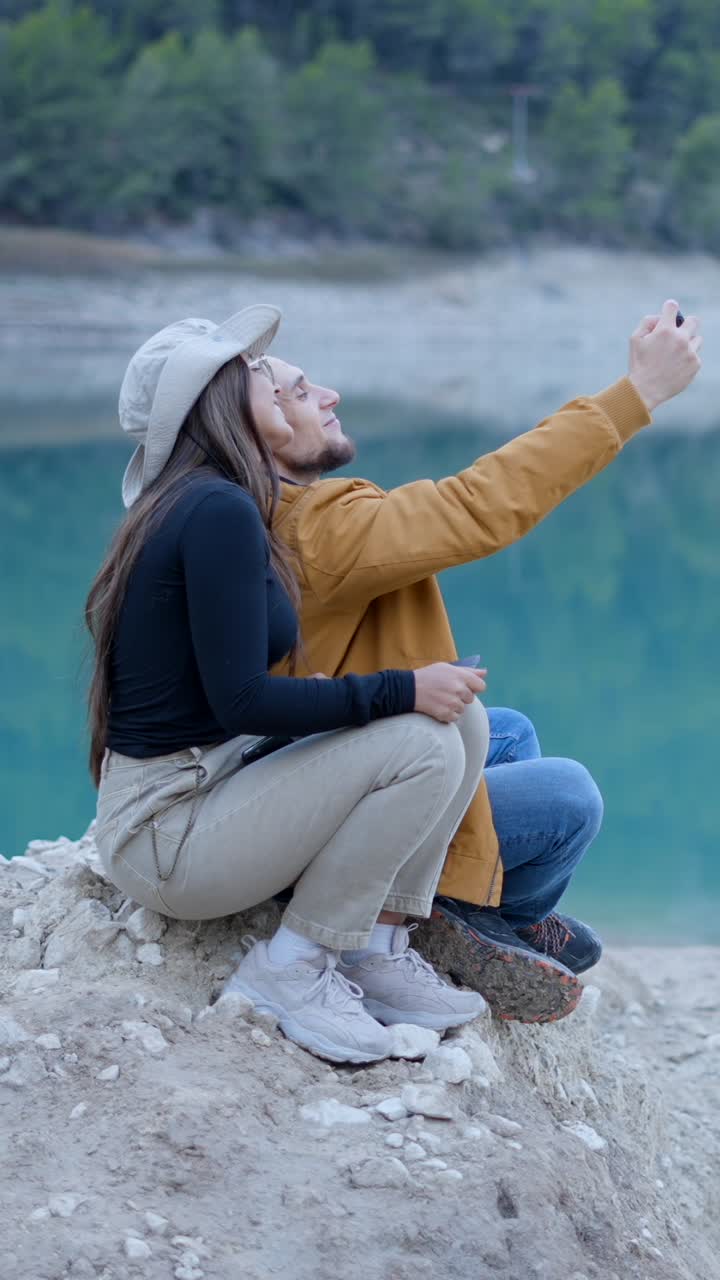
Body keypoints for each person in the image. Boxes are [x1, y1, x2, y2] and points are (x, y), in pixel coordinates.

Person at [265, 300, 702, 1023]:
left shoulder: (267, 514)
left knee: (509, 733)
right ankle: (462, 928)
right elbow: (480, 504)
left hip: (299, 764)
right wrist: (638, 396)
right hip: (316, 808)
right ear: (256, 430)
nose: (329, 395)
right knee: (568, 800)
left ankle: (494, 915)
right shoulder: (318, 530)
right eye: (301, 391)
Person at [85, 303, 494, 1066]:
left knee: (465, 725)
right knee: (419, 740)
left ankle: (377, 947)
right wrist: (400, 689)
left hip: (211, 788)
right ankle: (292, 970)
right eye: (253, 376)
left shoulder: (219, 502)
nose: (273, 381)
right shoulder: (215, 510)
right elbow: (243, 702)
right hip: (166, 838)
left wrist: (408, 693)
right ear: (216, 403)